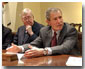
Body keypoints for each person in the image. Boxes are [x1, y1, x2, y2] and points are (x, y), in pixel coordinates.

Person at [7, 8, 80, 58]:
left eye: (60, 17)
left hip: (69, 62)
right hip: (51, 62)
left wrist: (44, 51)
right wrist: (20, 48)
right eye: (55, 19)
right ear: (48, 22)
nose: (59, 21)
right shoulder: (44, 31)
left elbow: (65, 48)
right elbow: (34, 44)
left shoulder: (70, 30)